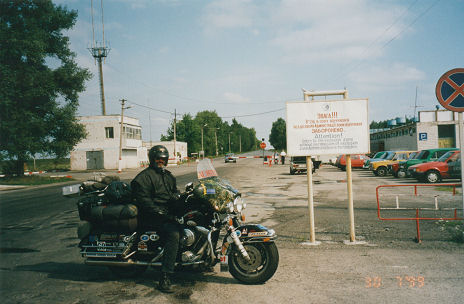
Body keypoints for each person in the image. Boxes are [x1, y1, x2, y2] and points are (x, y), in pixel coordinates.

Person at [131, 145, 181, 293]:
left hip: (165, 213)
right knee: (174, 234)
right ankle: (165, 277)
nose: (160, 161)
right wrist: (159, 212)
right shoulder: (143, 178)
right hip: (150, 216)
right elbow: (143, 201)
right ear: (152, 159)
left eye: (163, 159)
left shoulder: (168, 176)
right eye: (158, 159)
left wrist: (182, 197)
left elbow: (174, 192)